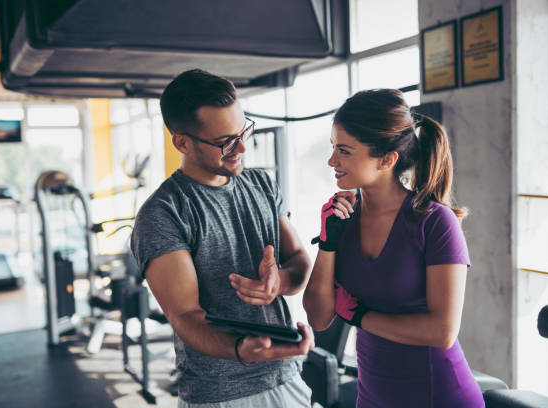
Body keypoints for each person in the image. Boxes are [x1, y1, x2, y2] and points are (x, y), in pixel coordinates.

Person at [130, 69, 314, 407]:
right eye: (225, 141)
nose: (242, 147)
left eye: (244, 130)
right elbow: (185, 315)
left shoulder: (262, 186)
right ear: (182, 142)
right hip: (221, 395)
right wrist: (239, 348)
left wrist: (279, 282)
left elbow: (299, 259)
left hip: (287, 378)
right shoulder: (163, 214)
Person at [303, 89, 485, 407]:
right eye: (333, 147)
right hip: (374, 396)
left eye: (344, 151)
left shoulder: (435, 222)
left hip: (437, 395)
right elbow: (319, 318)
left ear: (387, 160)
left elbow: (442, 331)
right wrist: (328, 243)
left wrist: (361, 317)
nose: (332, 160)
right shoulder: (344, 219)